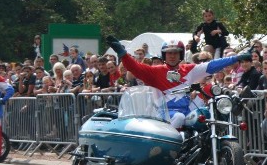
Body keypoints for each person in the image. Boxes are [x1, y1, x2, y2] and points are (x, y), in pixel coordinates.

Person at [107, 36, 250, 128]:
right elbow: (135, 67)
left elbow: (213, 65)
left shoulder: (189, 70)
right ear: (164, 55)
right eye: (169, 53)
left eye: (175, 52)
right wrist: (122, 53)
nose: (172, 56)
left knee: (207, 113)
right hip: (163, 113)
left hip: (187, 112)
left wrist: (236, 58)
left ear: (181, 54)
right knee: (179, 117)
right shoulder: (155, 71)